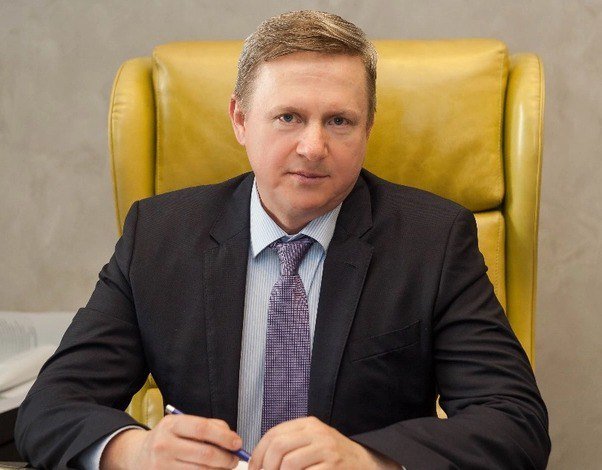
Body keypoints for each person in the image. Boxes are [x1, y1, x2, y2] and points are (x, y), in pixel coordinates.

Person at [15, 10, 550, 470]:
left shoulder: (433, 240)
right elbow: (51, 406)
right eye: (288, 117)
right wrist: (137, 452)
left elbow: (515, 422)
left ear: (368, 127)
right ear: (240, 119)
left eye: (339, 121)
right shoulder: (158, 235)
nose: (313, 147)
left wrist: (370, 460)